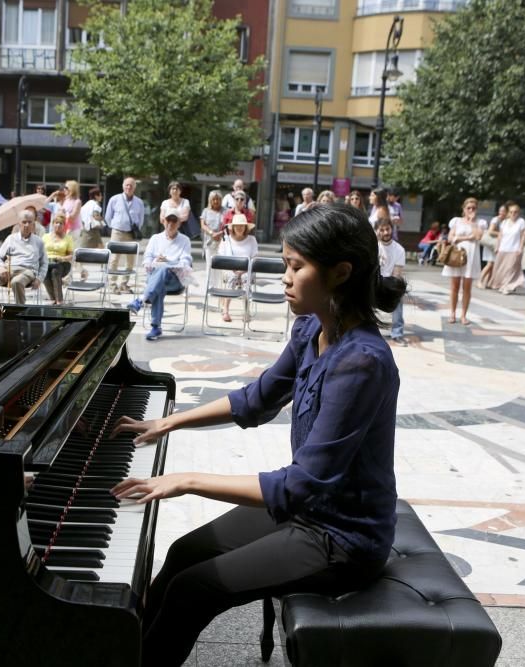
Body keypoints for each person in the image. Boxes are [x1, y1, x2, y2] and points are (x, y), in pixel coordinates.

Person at [111, 203, 405, 667]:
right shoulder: (311, 327)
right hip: (306, 511)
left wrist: (184, 481)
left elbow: (299, 484)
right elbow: (258, 398)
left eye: (296, 267)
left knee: (195, 589)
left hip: (343, 535)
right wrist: (169, 420)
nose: (284, 278)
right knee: (184, 552)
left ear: (340, 273)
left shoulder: (362, 362)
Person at [126, 210, 193, 341]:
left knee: (162, 270)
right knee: (159, 282)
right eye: (169, 220)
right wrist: (151, 263)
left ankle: (141, 300)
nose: (171, 224)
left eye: (174, 221)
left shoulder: (185, 240)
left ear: (179, 223)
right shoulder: (155, 238)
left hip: (175, 279)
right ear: (163, 221)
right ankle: (155, 327)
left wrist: (167, 262)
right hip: (157, 278)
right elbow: (147, 258)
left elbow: (185, 262)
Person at [441, 198, 484, 325]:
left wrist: (471, 222)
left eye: (473, 208)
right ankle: (453, 313)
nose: (471, 210)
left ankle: (464, 315)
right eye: (468, 208)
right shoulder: (456, 221)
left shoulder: (479, 223)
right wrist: (464, 237)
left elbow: (478, 236)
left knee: (467, 287)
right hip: (457, 254)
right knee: (454, 286)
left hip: (471, 255)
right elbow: (450, 237)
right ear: (463, 209)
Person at [0, 211, 47, 305]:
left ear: (33, 224)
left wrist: (39, 279)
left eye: (29, 222)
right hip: (9, 269)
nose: (26, 225)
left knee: (16, 282)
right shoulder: (11, 238)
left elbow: (44, 263)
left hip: (28, 271)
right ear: (19, 224)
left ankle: (20, 309)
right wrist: (0, 267)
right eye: (24, 222)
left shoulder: (38, 242)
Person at [105, 177, 146, 294]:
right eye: (127, 185)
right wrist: (114, 226)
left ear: (135, 187)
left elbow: (141, 219)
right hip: (117, 232)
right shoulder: (114, 199)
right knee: (114, 259)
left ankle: (124, 283)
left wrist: (136, 229)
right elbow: (108, 216)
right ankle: (112, 284)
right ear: (123, 186)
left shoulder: (139, 202)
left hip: (131, 234)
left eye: (131, 185)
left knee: (130, 261)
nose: (129, 187)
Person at [217, 213, 258, 323]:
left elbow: (254, 258)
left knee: (246, 278)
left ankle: (246, 311)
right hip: (230, 269)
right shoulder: (226, 240)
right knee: (232, 277)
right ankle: (225, 310)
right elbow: (221, 259)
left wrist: (243, 270)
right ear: (233, 227)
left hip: (247, 269)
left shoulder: (252, 240)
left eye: (242, 225)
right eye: (237, 226)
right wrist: (233, 270)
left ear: (246, 227)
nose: (239, 228)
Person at [377, 219, 407, 346]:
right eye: (382, 230)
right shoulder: (373, 246)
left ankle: (397, 333)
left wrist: (391, 289)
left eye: (387, 229)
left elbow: (397, 274)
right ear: (377, 231)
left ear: (392, 229)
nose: (385, 232)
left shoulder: (399, 249)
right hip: (374, 280)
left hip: (389, 281)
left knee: (399, 296)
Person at [487, 202, 525, 294]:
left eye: (515, 212)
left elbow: (523, 236)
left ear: (518, 213)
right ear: (508, 213)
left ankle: (507, 286)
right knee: (501, 269)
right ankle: (502, 285)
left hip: (514, 249)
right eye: (511, 212)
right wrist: (497, 246)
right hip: (503, 248)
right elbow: (500, 235)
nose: (513, 214)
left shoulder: (521, 222)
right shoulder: (504, 222)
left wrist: (521, 247)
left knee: (511, 269)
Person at [42, 214, 75, 305]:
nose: (58, 225)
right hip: (47, 261)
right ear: (53, 224)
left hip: (62, 263)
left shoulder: (68, 238)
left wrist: (62, 258)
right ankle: (53, 298)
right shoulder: (45, 237)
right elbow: (40, 252)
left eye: (61, 223)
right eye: (56, 223)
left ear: (64, 226)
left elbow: (71, 256)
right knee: (44, 271)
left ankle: (59, 300)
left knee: (55, 271)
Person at [477, 205, 506, 289]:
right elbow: (490, 231)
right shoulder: (496, 219)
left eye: (504, 211)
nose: (502, 213)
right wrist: (502, 234)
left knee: (492, 264)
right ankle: (480, 280)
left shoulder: (504, 221)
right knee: (490, 264)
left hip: (496, 244)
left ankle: (487, 282)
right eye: (501, 211)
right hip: (491, 244)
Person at [200, 190, 226, 259]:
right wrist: (212, 233)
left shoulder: (226, 211)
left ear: (221, 200)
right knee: (209, 265)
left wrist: (219, 234)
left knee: (221, 265)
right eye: (213, 199)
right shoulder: (205, 211)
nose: (215, 201)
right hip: (209, 241)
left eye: (217, 199)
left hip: (222, 241)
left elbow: (228, 225)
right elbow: (203, 225)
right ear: (210, 200)